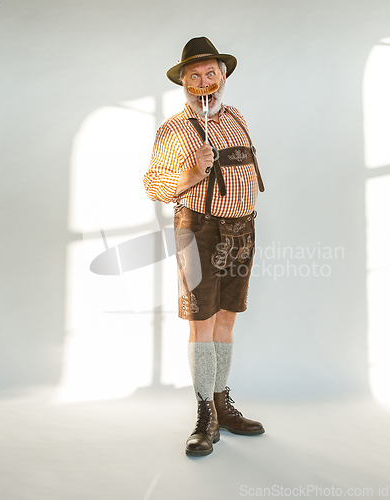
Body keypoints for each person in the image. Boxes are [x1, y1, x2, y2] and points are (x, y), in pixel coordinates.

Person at [143, 37, 265, 457]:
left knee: (227, 320)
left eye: (210, 73)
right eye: (193, 75)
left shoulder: (236, 117)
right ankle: (203, 416)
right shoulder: (175, 130)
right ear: (184, 82)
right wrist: (191, 175)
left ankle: (222, 406)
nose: (203, 80)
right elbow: (153, 185)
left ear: (223, 76)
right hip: (198, 231)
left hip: (242, 229)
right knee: (202, 323)